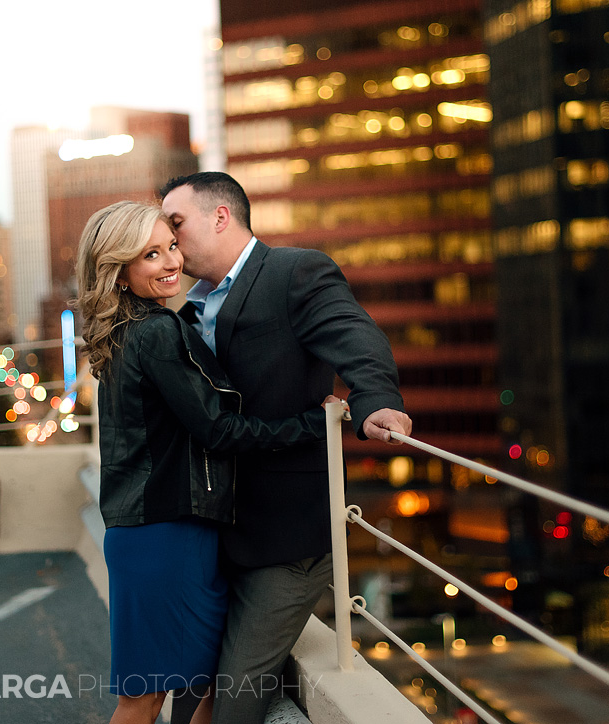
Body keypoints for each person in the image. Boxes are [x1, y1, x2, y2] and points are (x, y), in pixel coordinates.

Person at [160, 172, 412, 722]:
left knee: (236, 699)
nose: (170, 240)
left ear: (220, 216)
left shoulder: (295, 271)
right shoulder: (186, 309)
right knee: (186, 691)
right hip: (216, 532)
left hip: (287, 538)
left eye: (176, 224)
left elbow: (356, 336)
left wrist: (374, 400)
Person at [75, 200, 338, 724]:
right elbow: (217, 429)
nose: (171, 261)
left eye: (171, 246)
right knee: (146, 698)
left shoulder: (125, 331)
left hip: (156, 530)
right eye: (150, 255)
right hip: (165, 534)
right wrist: (316, 424)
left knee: (198, 687)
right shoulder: (156, 332)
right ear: (119, 271)